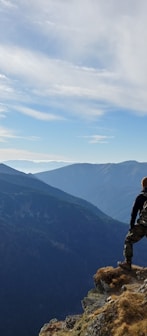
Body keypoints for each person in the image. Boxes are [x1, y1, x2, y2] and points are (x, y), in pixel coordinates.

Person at [118, 176, 147, 270]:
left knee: (128, 240)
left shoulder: (141, 197)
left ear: (143, 185)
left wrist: (132, 226)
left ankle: (127, 263)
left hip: (143, 226)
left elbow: (133, 213)